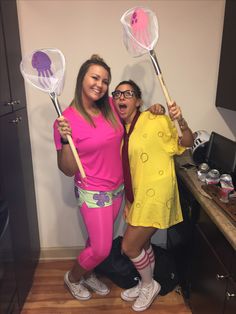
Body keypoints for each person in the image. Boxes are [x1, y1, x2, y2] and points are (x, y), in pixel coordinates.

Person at [53, 55, 165, 301]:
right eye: (95, 77)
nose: (100, 85)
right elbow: (67, 169)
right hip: (93, 192)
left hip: (118, 190)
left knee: (96, 241)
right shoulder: (66, 121)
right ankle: (72, 278)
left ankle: (88, 272)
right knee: (102, 248)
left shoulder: (111, 107)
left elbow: (135, 118)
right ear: (82, 79)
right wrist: (64, 139)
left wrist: (155, 110)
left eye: (105, 80)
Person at [112, 80, 194, 312]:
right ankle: (147, 282)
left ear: (138, 101)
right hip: (138, 196)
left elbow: (185, 143)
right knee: (143, 242)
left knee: (129, 246)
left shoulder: (155, 118)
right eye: (117, 93)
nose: (121, 97)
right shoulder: (123, 128)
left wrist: (180, 120)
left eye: (128, 93)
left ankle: (149, 285)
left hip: (156, 194)